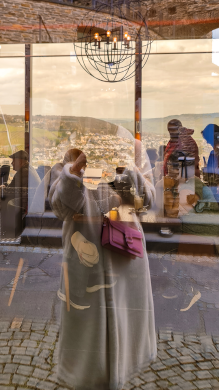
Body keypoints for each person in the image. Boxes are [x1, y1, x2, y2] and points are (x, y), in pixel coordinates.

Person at [49, 149, 156, 390]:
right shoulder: (70, 154)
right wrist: (73, 174)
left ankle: (123, 373)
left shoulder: (128, 149)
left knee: (125, 320)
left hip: (125, 253)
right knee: (87, 327)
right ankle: (87, 378)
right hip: (86, 256)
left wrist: (130, 174)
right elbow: (60, 209)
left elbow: (147, 201)